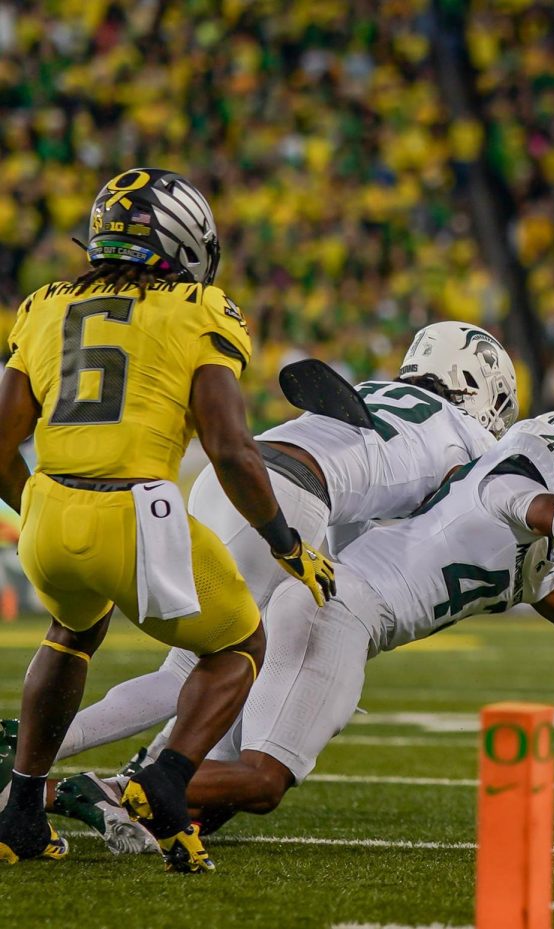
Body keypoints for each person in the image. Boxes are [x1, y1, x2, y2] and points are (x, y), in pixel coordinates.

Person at [67, 410, 554, 836]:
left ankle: (87, 792)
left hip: (326, 608)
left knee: (212, 798)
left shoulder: (535, 554)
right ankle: (104, 787)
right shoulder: (507, 489)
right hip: (338, 612)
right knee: (261, 781)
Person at [11, 321, 517, 853]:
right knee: (209, 666)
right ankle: (63, 766)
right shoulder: (470, 435)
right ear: (478, 380)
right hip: (287, 499)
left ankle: (114, 780)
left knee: (207, 663)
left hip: (233, 479)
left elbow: (360, 495)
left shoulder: (372, 392)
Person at [0, 168, 335, 871]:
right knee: (240, 642)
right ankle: (166, 780)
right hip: (138, 511)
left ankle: (20, 812)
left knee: (71, 632)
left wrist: (38, 503)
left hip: (50, 511)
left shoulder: (44, 304)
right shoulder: (200, 308)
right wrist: (285, 542)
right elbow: (232, 449)